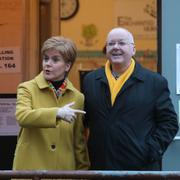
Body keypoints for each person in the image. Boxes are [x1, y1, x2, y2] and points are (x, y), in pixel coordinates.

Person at [83, 27, 179, 170]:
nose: (116, 47)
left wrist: (151, 151)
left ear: (133, 50)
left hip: (141, 170)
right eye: (111, 44)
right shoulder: (91, 80)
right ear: (106, 49)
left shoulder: (154, 82)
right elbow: (85, 120)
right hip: (101, 167)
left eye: (121, 43)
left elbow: (170, 123)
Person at [13, 36, 90, 170]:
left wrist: (83, 171)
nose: (47, 63)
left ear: (67, 66)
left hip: (64, 172)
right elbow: (22, 116)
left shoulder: (78, 97)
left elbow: (78, 142)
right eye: (46, 58)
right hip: (30, 171)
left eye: (55, 59)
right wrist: (58, 113)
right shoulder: (27, 88)